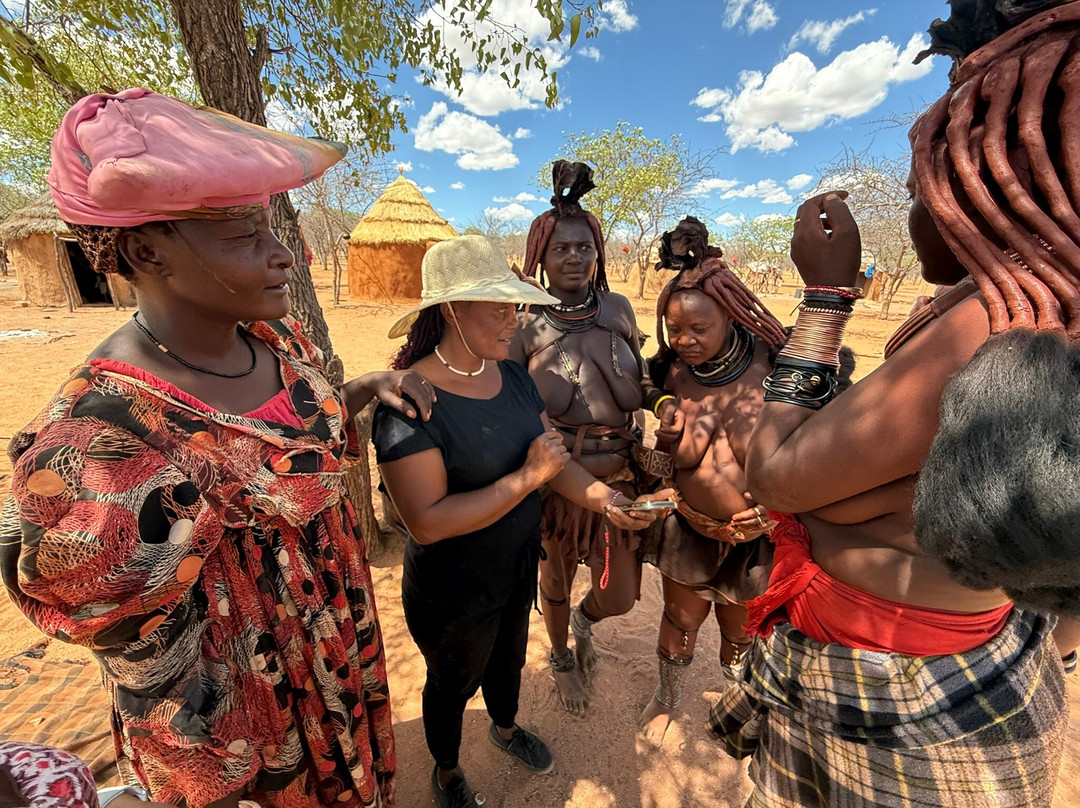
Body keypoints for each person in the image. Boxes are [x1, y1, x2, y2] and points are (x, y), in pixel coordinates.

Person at [0, 89, 427, 808]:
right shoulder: (100, 448)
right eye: (242, 234)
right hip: (261, 718)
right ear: (145, 251)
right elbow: (165, 701)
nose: (282, 254)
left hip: (332, 651)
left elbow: (280, 449)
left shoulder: (269, 340)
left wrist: (359, 391)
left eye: (271, 228)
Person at [709, 4, 1079, 805]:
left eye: (923, 186)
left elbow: (776, 472)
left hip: (902, 698)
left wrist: (826, 294)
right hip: (977, 657)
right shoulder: (1051, 300)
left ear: (983, 181)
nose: (914, 207)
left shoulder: (997, 318)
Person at [373, 235, 665, 808]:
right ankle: (449, 769)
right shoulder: (412, 404)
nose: (515, 319)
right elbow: (427, 522)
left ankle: (505, 728)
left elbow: (551, 456)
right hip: (451, 588)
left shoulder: (510, 378)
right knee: (454, 680)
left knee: (507, 659)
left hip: (512, 566)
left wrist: (606, 499)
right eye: (499, 307)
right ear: (452, 310)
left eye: (515, 304)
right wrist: (525, 480)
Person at [635, 217, 787, 747]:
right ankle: (668, 695)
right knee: (679, 619)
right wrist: (662, 407)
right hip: (688, 528)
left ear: (732, 316)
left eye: (699, 328)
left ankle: (737, 700)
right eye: (675, 329)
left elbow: (820, 454)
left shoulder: (775, 369)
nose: (685, 340)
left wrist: (773, 514)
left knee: (740, 633)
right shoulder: (670, 372)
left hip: (756, 538)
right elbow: (641, 388)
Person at [509, 161, 649, 716]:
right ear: (540, 255)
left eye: (585, 247)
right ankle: (561, 654)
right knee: (557, 578)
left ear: (598, 252)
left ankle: (589, 625)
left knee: (621, 592)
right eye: (562, 248)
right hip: (560, 484)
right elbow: (517, 404)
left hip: (620, 473)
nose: (574, 257)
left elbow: (640, 379)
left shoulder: (617, 309)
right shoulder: (522, 324)